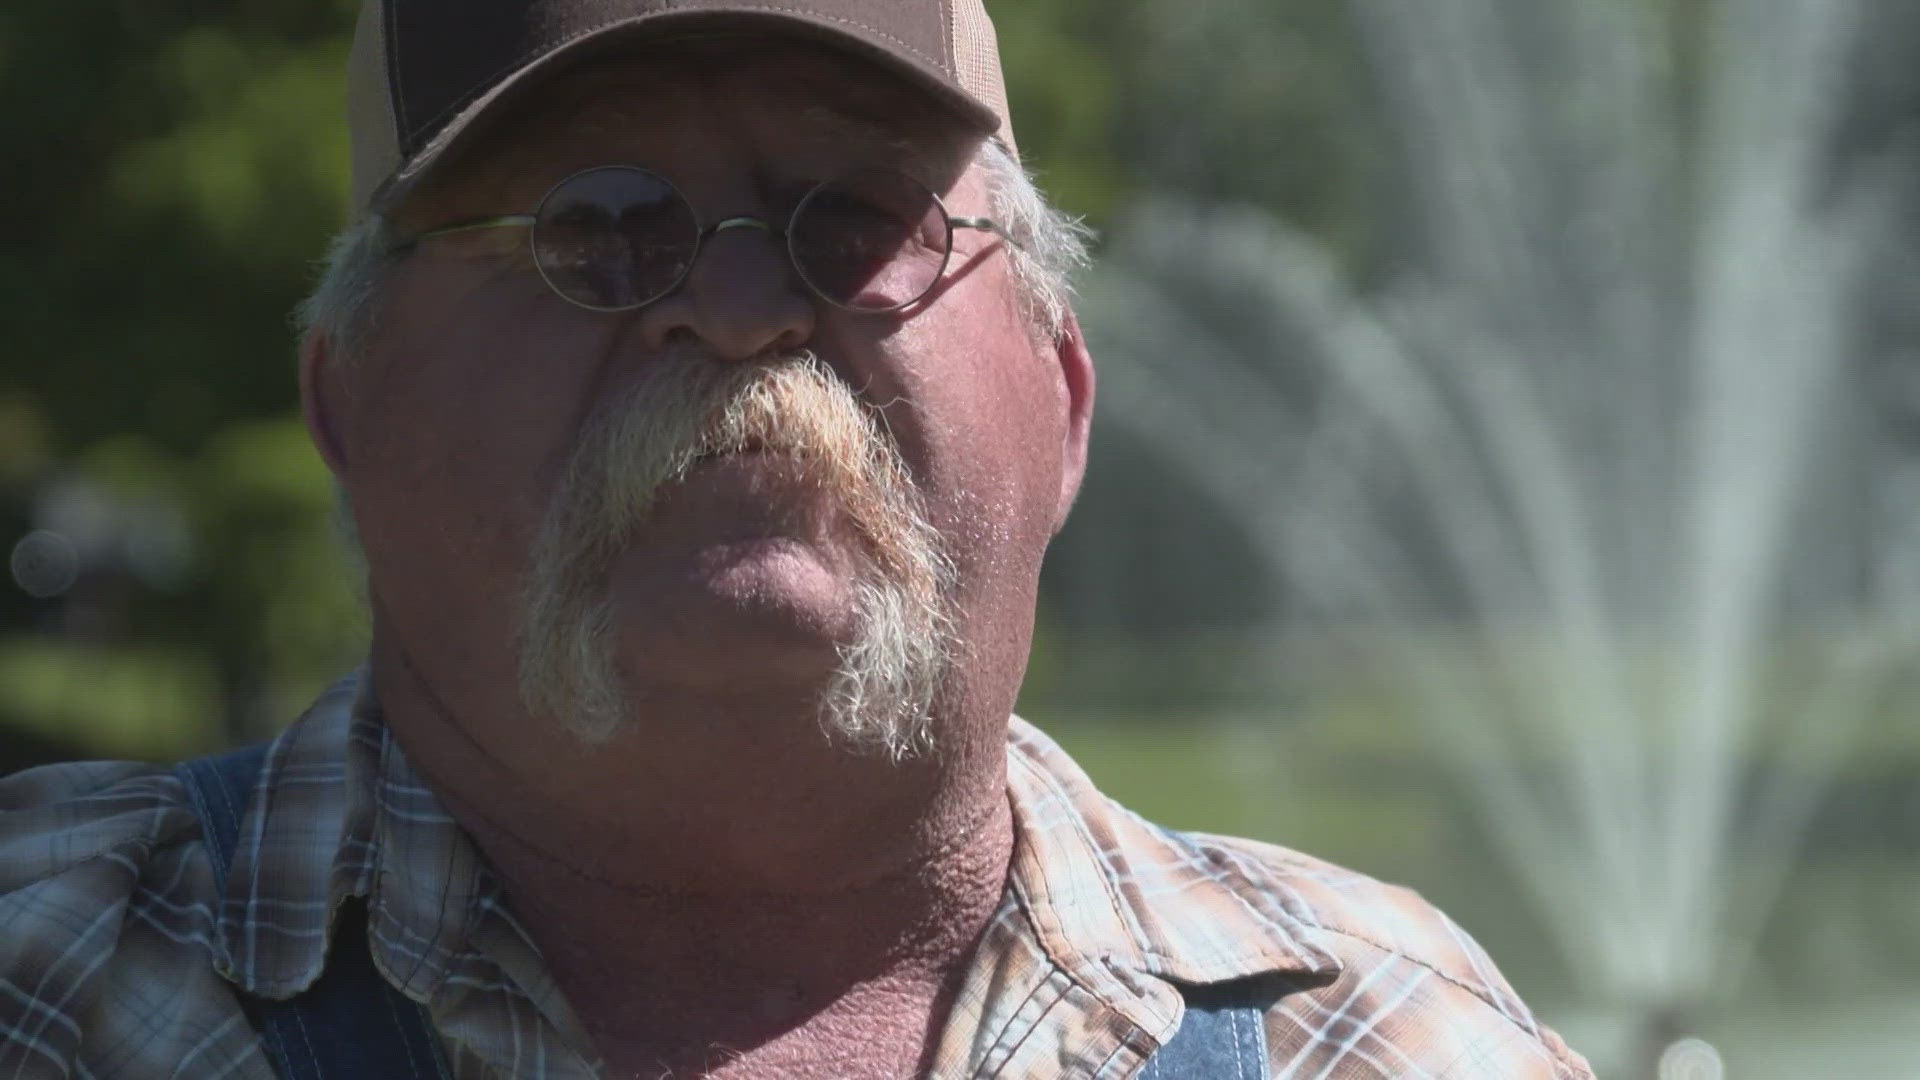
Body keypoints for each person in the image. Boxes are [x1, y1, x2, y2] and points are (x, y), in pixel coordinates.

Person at [0, 1, 1594, 1077]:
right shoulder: (44, 988)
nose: (745, 309)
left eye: (857, 221)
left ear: (1063, 396)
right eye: (595, 230)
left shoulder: (1395, 1041)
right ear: (348, 404)